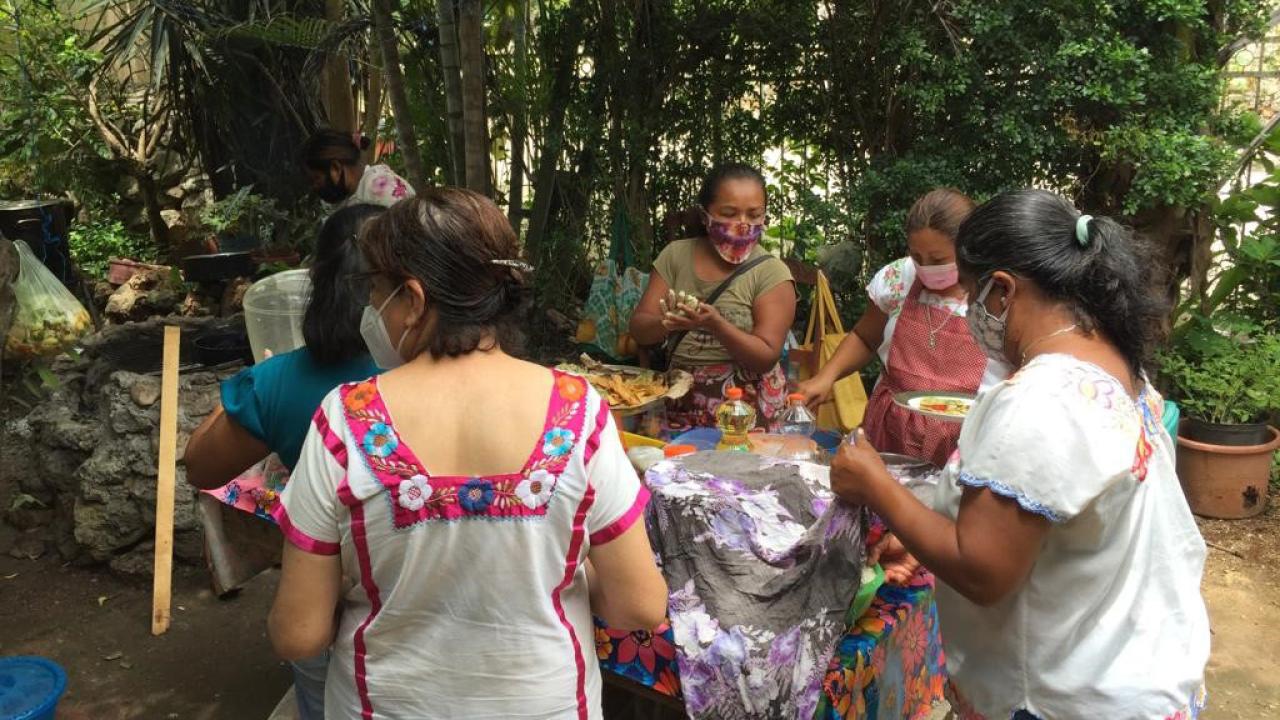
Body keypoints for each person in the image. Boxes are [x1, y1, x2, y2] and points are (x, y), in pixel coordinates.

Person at [268, 189, 668, 718]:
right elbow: (638, 606)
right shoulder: (579, 411)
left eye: (376, 293)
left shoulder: (345, 418)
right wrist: (561, 564)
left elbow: (298, 634)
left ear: (412, 298)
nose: (372, 312)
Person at [829, 189, 1210, 719]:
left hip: (1066, 697)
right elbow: (1045, 523)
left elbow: (983, 571)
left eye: (969, 292)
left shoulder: (1038, 401)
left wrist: (876, 485)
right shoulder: (1110, 362)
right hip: (1133, 669)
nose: (966, 312)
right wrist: (925, 530)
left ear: (1002, 291)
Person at [184, 203, 385, 720]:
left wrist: (256, 383)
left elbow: (199, 467)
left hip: (324, 593)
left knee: (319, 691)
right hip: (419, 601)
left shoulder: (283, 381)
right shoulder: (429, 370)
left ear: (315, 280)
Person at [797, 189, 999, 468]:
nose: (925, 267)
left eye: (939, 260)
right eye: (917, 256)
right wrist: (826, 377)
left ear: (969, 249)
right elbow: (864, 338)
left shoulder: (997, 294)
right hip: (891, 429)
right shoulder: (899, 278)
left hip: (965, 440)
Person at [629, 163, 796, 431]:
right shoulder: (675, 256)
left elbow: (766, 356)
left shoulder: (771, 272)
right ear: (705, 215)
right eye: (729, 213)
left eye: (754, 215)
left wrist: (715, 325)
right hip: (679, 401)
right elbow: (639, 329)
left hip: (744, 411)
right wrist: (667, 322)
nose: (743, 224)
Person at [300, 129, 414, 209]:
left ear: (336, 168)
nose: (315, 187)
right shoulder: (360, 193)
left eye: (316, 179)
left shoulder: (381, 192)